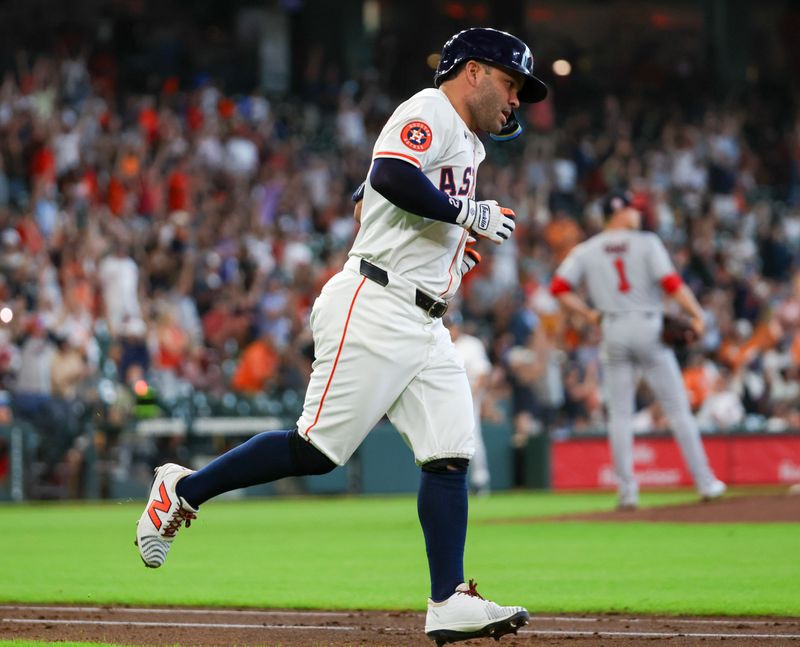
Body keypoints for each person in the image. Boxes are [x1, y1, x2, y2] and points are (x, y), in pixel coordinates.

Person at [135, 27, 548, 645]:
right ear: (475, 72)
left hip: (423, 319)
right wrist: (467, 216)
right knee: (317, 451)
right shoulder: (429, 107)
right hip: (375, 304)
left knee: (450, 453)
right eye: (511, 83)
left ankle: (448, 600)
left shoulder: (465, 140)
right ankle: (181, 490)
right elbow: (387, 176)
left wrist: (452, 252)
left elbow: (372, 198)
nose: (516, 100)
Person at [549, 190, 727, 509]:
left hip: (612, 328)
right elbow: (672, 284)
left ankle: (627, 491)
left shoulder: (586, 250)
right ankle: (705, 482)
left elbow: (558, 288)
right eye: (631, 209)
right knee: (677, 409)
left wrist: (588, 314)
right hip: (648, 326)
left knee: (619, 414)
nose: (637, 213)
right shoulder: (646, 242)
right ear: (618, 212)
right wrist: (698, 314)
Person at [446, 311, 493, 495]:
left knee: (472, 438)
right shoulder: (440, 343)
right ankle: (451, 481)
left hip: (468, 397)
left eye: (453, 325)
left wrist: (470, 397)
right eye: (448, 325)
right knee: (448, 440)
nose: (451, 329)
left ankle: (480, 480)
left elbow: (482, 373)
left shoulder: (471, 344)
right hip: (446, 399)